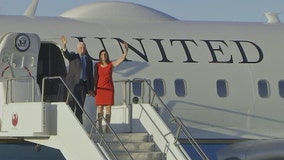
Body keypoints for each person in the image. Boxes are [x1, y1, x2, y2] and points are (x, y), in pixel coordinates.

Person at [94, 42, 128, 133]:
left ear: (107, 55)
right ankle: (100, 126)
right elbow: (95, 77)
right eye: (102, 54)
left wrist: (126, 50)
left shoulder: (110, 64)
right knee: (100, 108)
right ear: (100, 56)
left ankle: (108, 127)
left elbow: (121, 59)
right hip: (100, 88)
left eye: (105, 54)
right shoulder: (97, 65)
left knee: (108, 109)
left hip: (109, 89)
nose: (103, 55)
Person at [60, 35, 94, 124]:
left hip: (83, 85)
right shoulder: (74, 56)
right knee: (71, 105)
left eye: (84, 47)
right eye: (81, 47)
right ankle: (70, 124)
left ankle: (79, 125)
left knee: (80, 107)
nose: (82, 49)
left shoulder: (88, 60)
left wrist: (91, 88)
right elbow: (67, 55)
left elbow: (90, 75)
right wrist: (64, 46)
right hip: (73, 85)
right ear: (78, 49)